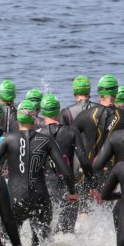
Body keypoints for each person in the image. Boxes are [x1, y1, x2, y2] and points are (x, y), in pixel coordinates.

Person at [0, 100, 78, 246]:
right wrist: (72, 192)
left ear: (18, 120)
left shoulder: (8, 139)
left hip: (14, 199)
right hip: (40, 198)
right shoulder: (46, 140)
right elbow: (66, 171)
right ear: (35, 117)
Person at [37, 94, 98, 233]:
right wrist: (93, 184)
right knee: (67, 232)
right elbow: (83, 159)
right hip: (69, 185)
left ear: (42, 111)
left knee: (45, 231)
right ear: (59, 111)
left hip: (46, 186)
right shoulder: (72, 131)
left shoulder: (38, 134)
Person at [72, 74, 124, 161]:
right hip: (116, 171)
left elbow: (69, 141)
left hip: (89, 169)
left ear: (99, 93)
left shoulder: (84, 116)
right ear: (116, 93)